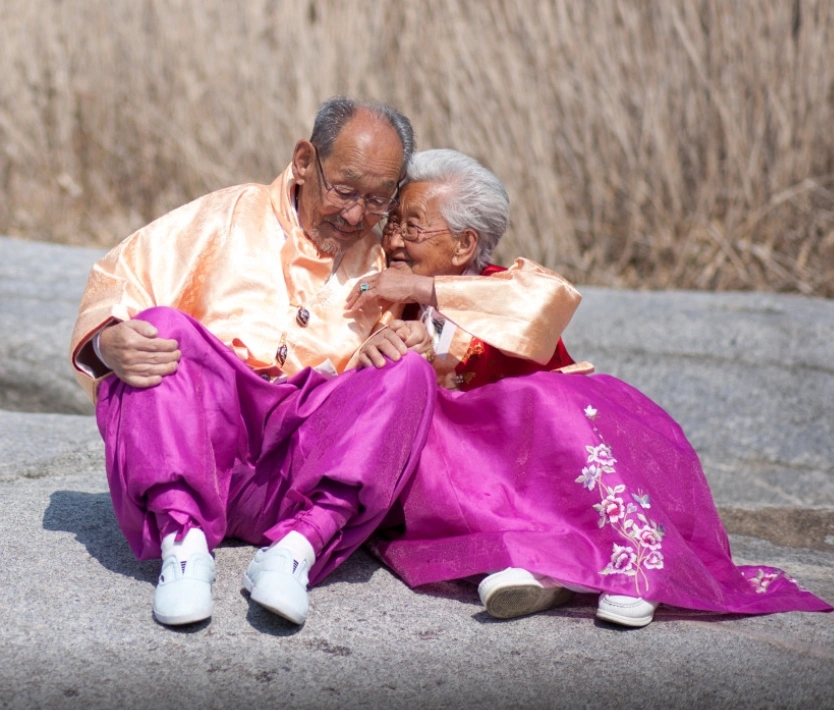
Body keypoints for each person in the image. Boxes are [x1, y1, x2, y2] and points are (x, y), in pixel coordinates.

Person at [347, 148, 832, 627]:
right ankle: (549, 571)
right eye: (391, 225)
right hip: (477, 477)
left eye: (410, 227)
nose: (393, 242)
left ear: (464, 245)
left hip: (544, 458)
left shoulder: (503, 287)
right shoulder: (388, 303)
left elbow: (549, 300)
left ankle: (633, 564)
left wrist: (424, 292)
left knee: (542, 399)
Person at [69, 97, 438, 627]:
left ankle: (295, 551)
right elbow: (115, 282)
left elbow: (384, 401)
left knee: (409, 372)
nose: (357, 215)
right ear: (306, 160)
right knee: (160, 329)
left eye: (378, 201)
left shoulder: (385, 267)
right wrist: (107, 343)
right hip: (199, 451)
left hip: (298, 483)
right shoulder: (226, 216)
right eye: (345, 190)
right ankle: (184, 543)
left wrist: (397, 346)